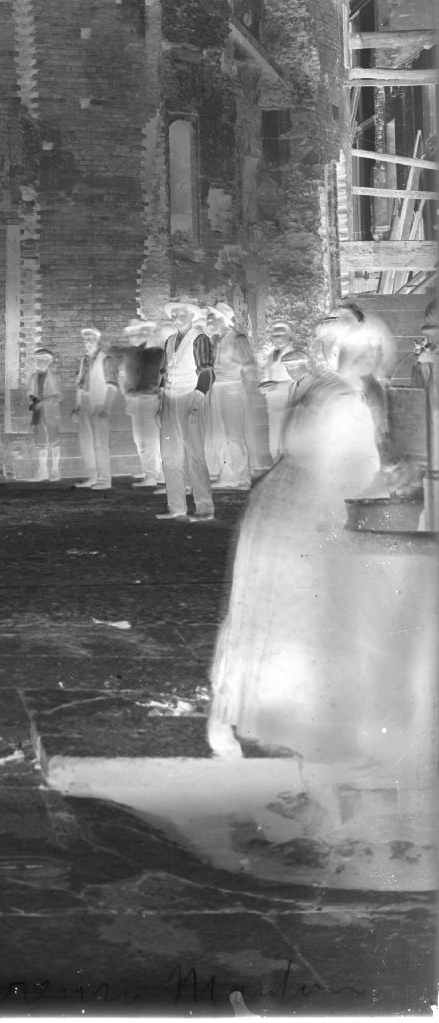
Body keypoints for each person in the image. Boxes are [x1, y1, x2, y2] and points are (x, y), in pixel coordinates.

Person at [207, 319, 393, 761]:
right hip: (306, 513)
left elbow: (298, 443)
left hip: (276, 502)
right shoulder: (349, 401)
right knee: (304, 617)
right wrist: (388, 479)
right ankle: (301, 731)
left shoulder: (319, 388)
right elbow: (350, 470)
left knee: (257, 613)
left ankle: (231, 720)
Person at [157, 299, 215, 523]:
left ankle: (205, 507)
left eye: (181, 314)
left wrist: (198, 399)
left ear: (191, 316)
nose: (176, 317)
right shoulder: (170, 340)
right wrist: (161, 403)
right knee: (170, 455)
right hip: (170, 400)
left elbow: (206, 372)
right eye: (174, 314)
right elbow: (165, 375)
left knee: (195, 455)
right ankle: (176, 506)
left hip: (191, 396)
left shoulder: (200, 339)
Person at [204, 303, 257, 490]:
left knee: (234, 435)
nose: (207, 321)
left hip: (233, 389)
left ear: (221, 319)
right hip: (216, 389)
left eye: (211, 318)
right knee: (219, 435)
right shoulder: (215, 340)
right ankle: (227, 476)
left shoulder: (238, 338)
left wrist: (248, 393)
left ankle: (242, 477)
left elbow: (249, 367)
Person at [112, 319, 166, 489]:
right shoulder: (130, 356)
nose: (135, 337)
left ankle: (154, 475)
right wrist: (128, 391)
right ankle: (152, 472)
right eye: (132, 334)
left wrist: (156, 395)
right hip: (135, 402)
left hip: (151, 401)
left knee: (151, 440)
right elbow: (122, 377)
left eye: (140, 333)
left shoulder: (158, 353)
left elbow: (162, 378)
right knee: (140, 439)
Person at [257, 321, 308, 463]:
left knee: (287, 439)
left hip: (289, 402)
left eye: (281, 334)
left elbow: (299, 381)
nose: (277, 337)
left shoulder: (295, 355)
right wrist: (265, 382)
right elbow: (267, 374)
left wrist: (276, 386)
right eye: (274, 334)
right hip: (273, 403)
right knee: (275, 438)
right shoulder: (272, 354)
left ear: (289, 336)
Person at [72, 328, 116, 490]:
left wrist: (106, 408)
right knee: (86, 443)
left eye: (91, 340)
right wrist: (77, 407)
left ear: (98, 342)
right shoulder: (84, 360)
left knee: (100, 443)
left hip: (99, 405)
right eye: (86, 340)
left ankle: (104, 479)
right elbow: (80, 386)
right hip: (84, 405)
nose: (88, 343)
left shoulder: (107, 360)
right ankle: (92, 477)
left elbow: (112, 387)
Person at [27, 347, 63, 481]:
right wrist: (32, 399)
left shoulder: (53, 377)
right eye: (39, 360)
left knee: (54, 442)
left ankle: (55, 471)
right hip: (38, 414)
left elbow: (59, 396)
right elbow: (29, 392)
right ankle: (42, 471)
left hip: (51, 414)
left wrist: (43, 402)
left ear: (49, 362)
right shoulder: (33, 377)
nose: (41, 362)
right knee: (41, 443)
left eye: (44, 360)